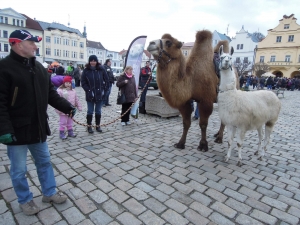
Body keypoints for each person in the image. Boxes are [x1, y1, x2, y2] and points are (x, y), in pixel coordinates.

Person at [0, 29, 76, 215]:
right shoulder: (4, 68)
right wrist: (4, 129)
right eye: (32, 42)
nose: (36, 46)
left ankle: (49, 193)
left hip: (38, 127)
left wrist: (67, 107)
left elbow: (50, 94)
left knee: (44, 162)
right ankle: (25, 200)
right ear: (17, 44)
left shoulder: (40, 68)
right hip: (16, 131)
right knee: (19, 169)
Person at [81, 55, 109, 133]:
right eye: (91, 61)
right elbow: (83, 82)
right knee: (90, 111)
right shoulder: (86, 70)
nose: (93, 62)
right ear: (89, 61)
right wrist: (88, 90)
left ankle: (98, 125)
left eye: (94, 61)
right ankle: (89, 126)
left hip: (100, 93)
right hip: (90, 94)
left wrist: (105, 90)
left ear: (96, 61)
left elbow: (107, 80)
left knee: (98, 111)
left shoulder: (101, 69)